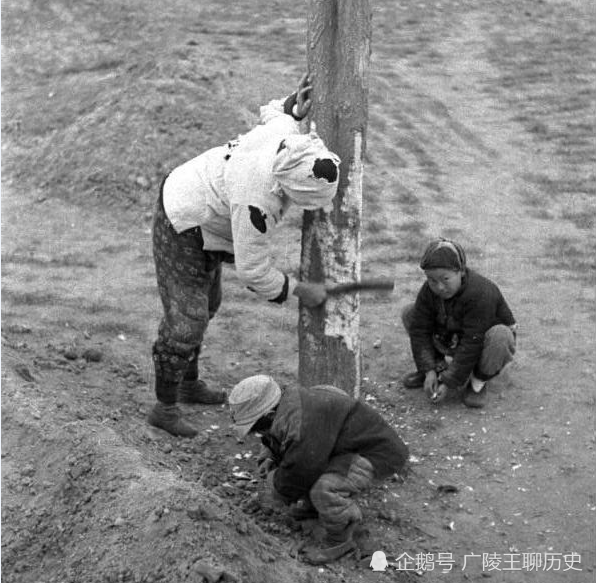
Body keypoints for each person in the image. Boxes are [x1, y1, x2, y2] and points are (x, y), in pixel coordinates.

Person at [149, 74, 341, 437]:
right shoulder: (257, 201)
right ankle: (165, 407)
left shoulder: (291, 140)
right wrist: (299, 290)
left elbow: (275, 114)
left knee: (208, 304)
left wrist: (293, 106)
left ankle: (189, 384)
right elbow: (253, 272)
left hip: (209, 212)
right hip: (184, 217)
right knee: (186, 319)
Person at [227, 375, 409, 565]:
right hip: (340, 446)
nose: (255, 433)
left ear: (269, 415)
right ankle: (314, 508)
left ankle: (340, 540)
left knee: (324, 489)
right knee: (305, 466)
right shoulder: (287, 404)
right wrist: (270, 456)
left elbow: (300, 471)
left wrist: (273, 488)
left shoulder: (301, 422)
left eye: (256, 427)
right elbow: (282, 441)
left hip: (375, 452)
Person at [401, 238, 517, 408]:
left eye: (445, 279)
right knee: (411, 314)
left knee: (501, 335)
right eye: (432, 280)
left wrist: (449, 382)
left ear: (461, 271)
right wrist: (428, 369)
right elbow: (420, 331)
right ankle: (437, 369)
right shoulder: (428, 292)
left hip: (483, 344)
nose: (438, 286)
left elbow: (472, 342)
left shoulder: (481, 293)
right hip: (454, 336)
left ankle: (477, 383)